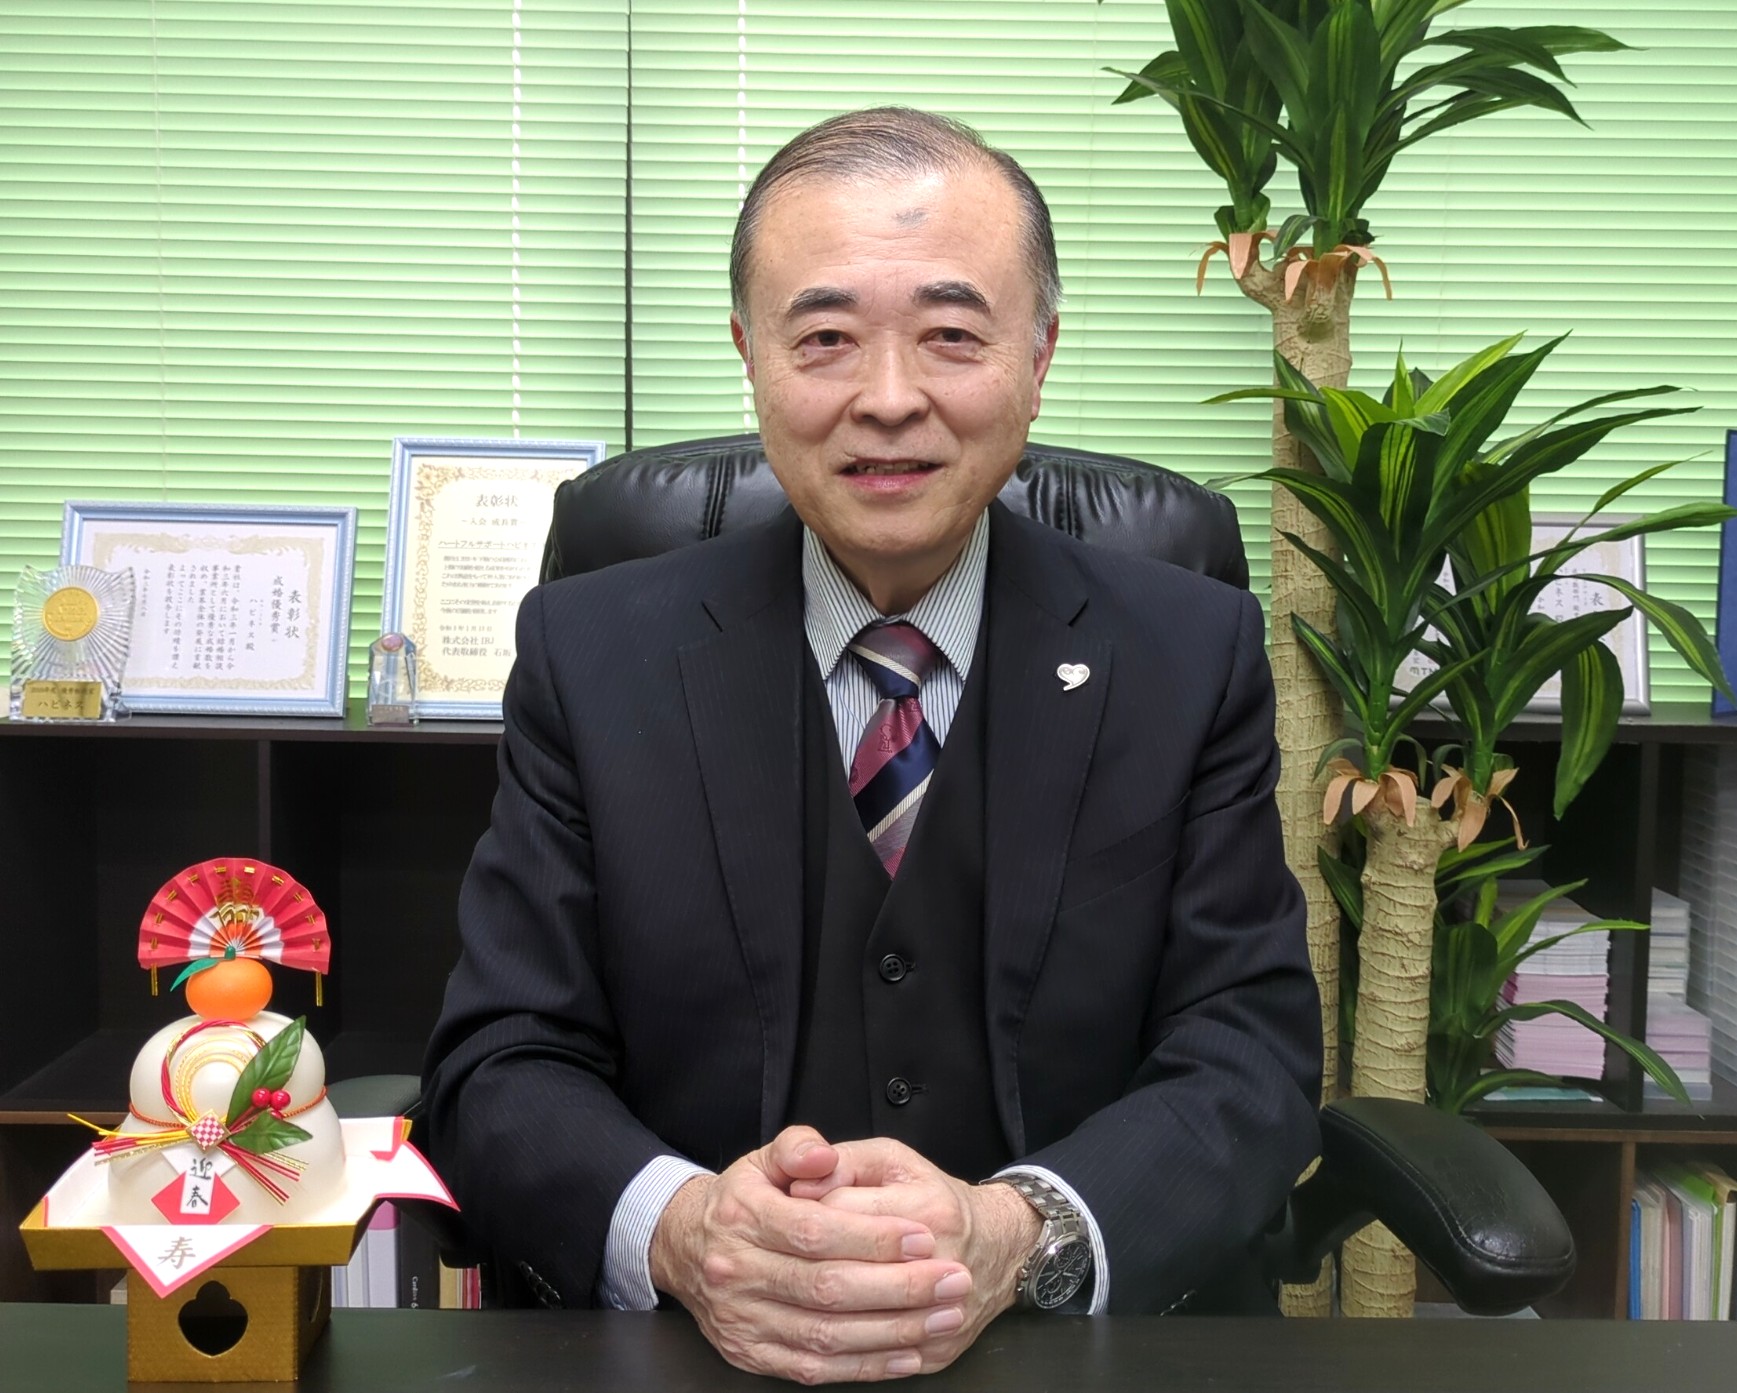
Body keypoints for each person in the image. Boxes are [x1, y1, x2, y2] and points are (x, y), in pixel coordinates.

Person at [421, 106, 1320, 1384]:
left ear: (1040, 355)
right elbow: (500, 1060)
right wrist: (688, 1231)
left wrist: (1020, 1234)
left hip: (1066, 1351)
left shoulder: (1189, 653)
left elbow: (1249, 1053)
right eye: (825, 339)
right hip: (699, 1354)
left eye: (952, 335)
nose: (888, 400)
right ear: (750, 356)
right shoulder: (591, 651)